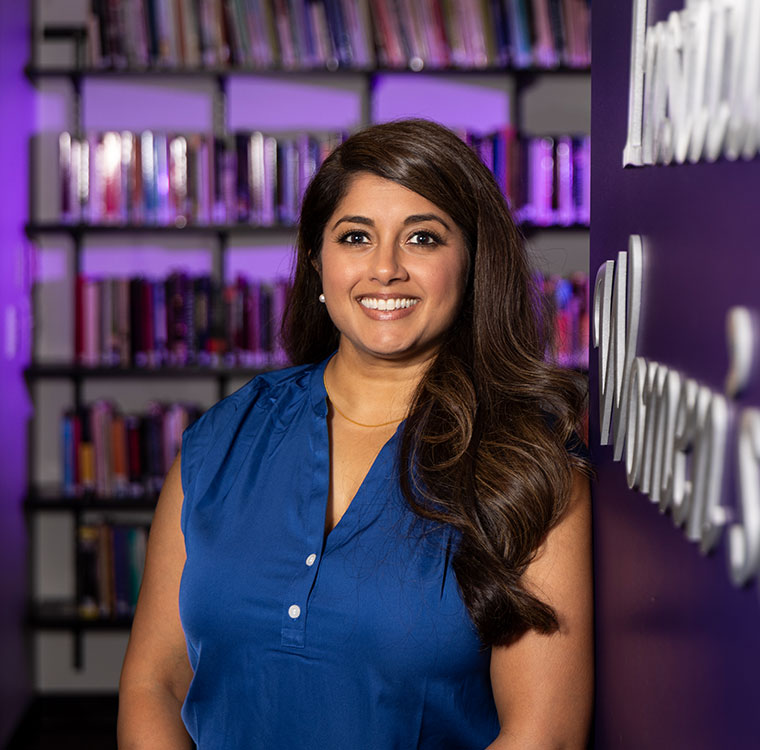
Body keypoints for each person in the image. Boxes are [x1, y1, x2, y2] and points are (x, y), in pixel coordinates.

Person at [118, 119, 593, 749]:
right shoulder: (222, 441)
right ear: (318, 261)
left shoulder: (530, 467)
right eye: (356, 237)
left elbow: (542, 737)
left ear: (473, 263)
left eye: (422, 237)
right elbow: (154, 683)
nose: (386, 268)